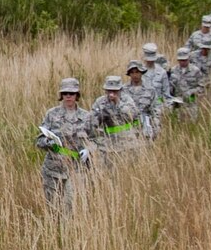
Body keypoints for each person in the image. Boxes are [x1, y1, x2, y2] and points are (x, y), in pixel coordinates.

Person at [36, 78, 93, 212]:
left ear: (77, 95)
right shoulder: (51, 114)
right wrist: (47, 142)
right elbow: (39, 140)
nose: (68, 96)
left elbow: (97, 139)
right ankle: (54, 232)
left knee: (69, 207)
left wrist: (89, 150)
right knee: (53, 208)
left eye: (71, 93)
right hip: (53, 169)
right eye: (65, 93)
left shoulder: (86, 117)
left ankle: (68, 232)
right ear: (61, 95)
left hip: (76, 169)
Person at [89, 76, 139, 158]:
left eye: (115, 91)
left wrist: (118, 103)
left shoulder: (127, 100)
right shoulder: (100, 102)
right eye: (109, 91)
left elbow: (132, 116)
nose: (112, 93)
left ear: (120, 90)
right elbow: (92, 122)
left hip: (128, 143)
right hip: (107, 144)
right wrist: (100, 115)